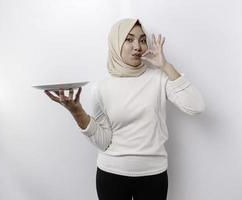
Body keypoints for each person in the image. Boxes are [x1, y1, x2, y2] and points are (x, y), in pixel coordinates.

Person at [44, 18, 205, 200]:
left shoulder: (159, 78)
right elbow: (103, 141)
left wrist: (166, 66)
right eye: (129, 39)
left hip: (153, 176)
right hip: (111, 176)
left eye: (142, 40)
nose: (137, 46)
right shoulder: (101, 88)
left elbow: (196, 106)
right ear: (116, 43)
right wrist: (77, 112)